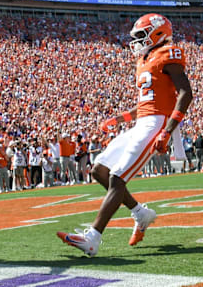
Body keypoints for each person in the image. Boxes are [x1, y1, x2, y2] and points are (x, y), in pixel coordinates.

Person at [58, 13, 193, 257]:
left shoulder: (168, 52)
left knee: (118, 178)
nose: (137, 41)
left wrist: (168, 130)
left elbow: (185, 94)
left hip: (157, 124)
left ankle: (93, 238)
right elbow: (146, 103)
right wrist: (120, 118)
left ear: (158, 33)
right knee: (99, 169)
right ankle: (141, 213)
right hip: (143, 121)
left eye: (142, 36)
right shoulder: (145, 58)